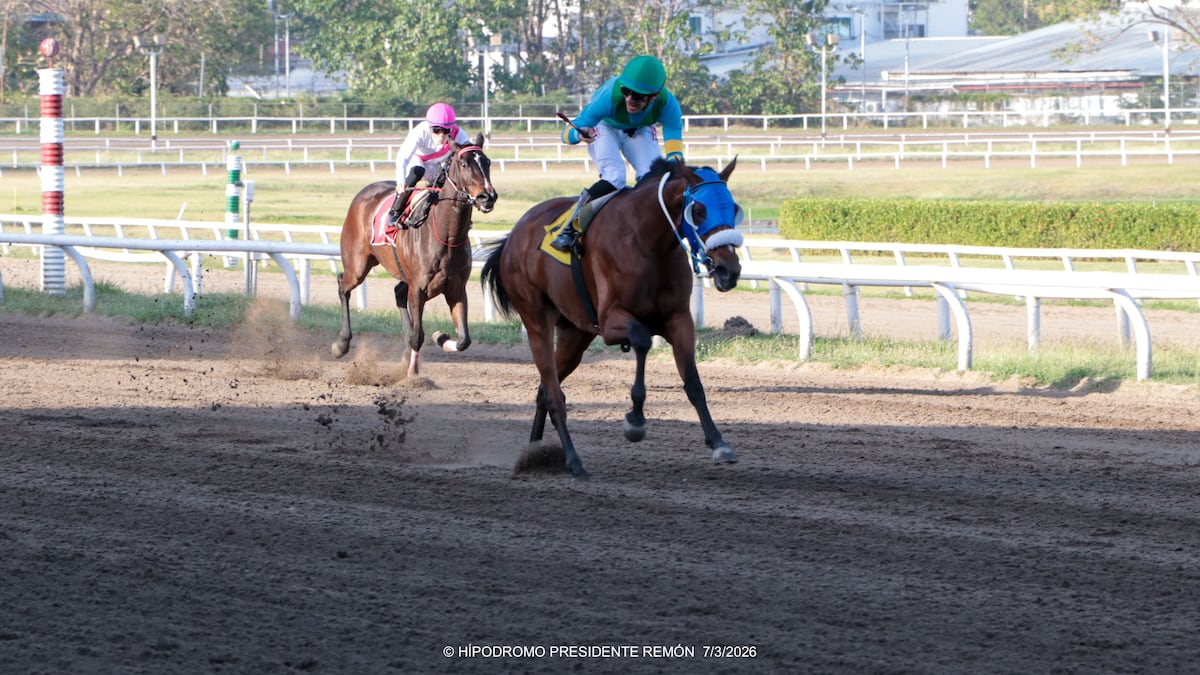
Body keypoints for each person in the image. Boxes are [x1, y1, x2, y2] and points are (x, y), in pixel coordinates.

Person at [552, 55, 684, 252]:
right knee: (615, 176)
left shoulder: (668, 104)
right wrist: (577, 135)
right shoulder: (608, 97)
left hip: (639, 129)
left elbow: (673, 138)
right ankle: (571, 228)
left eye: (638, 96)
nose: (629, 99)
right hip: (604, 126)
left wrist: (675, 163)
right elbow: (568, 132)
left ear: (654, 96)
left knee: (655, 178)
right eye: (626, 91)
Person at [389, 102, 472, 228]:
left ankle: (463, 217)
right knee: (418, 170)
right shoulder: (420, 131)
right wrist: (401, 181)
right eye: (436, 130)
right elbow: (402, 158)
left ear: (451, 128)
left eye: (446, 131)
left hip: (440, 165)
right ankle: (396, 211)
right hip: (419, 161)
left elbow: (470, 155)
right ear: (430, 127)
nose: (441, 135)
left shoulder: (460, 135)